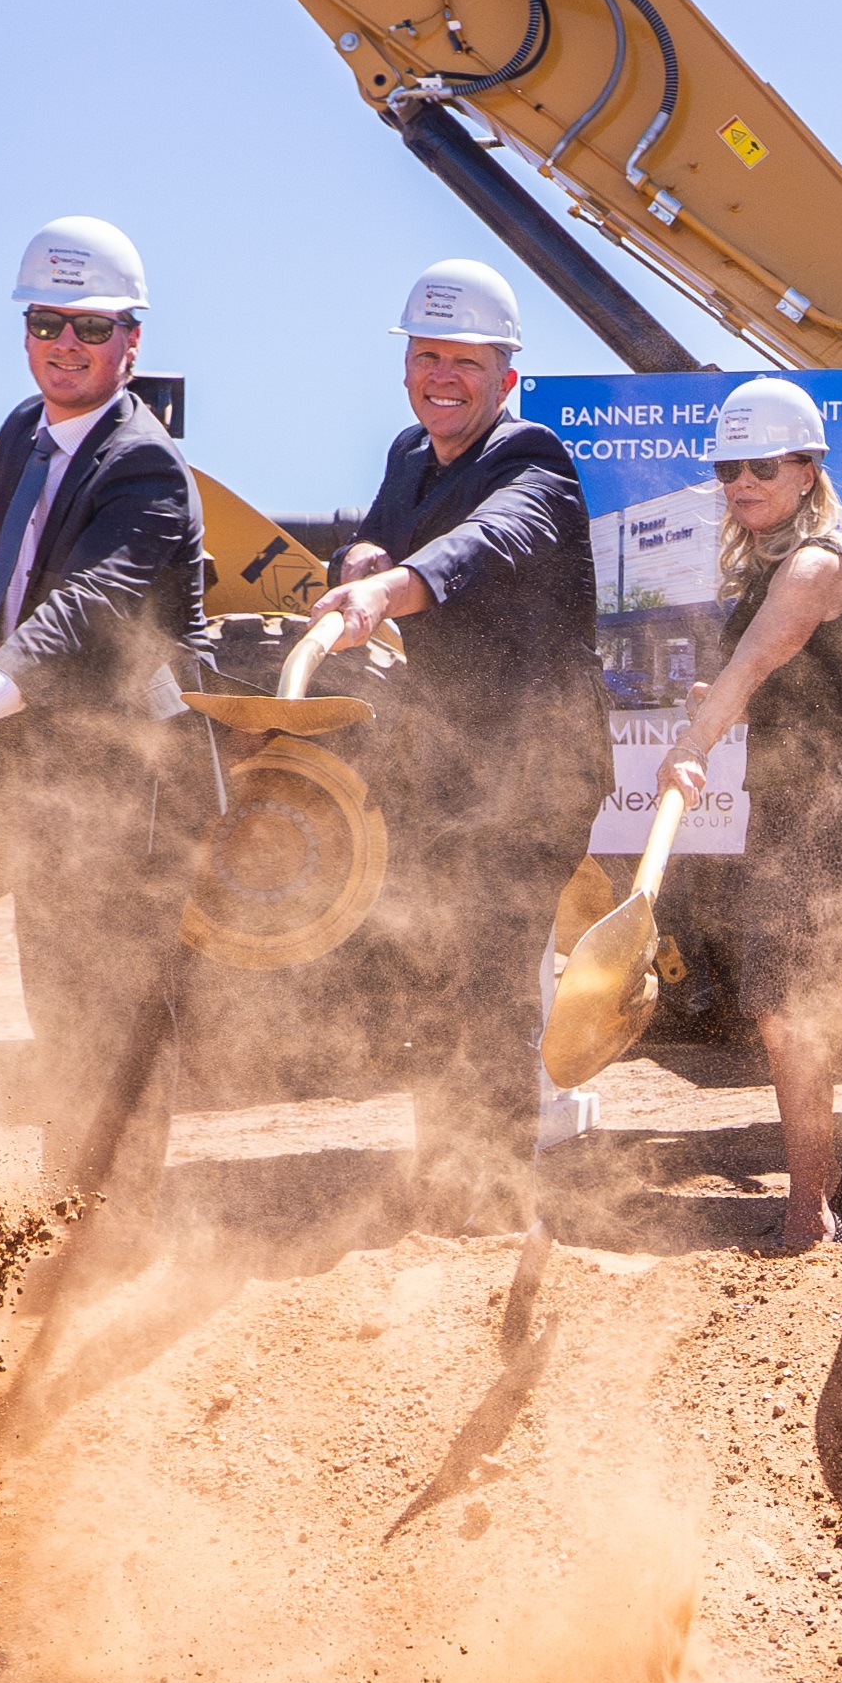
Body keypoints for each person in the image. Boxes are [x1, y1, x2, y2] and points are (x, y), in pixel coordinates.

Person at [0, 218, 216, 1180]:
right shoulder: (27, 429)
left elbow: (79, 613)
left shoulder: (146, 466)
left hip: (131, 783)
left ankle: (114, 1225)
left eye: (89, 328)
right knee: (59, 998)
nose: (64, 346)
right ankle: (67, 1196)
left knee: (118, 1009)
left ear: (131, 341)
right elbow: (11, 546)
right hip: (49, 770)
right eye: (47, 323)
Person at [319, 259, 600, 1231]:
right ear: (406, 365)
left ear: (505, 375)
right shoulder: (410, 453)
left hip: (532, 770)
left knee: (483, 967)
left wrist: (384, 588)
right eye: (426, 354)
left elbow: (471, 547)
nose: (442, 374)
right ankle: (454, 1172)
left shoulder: (535, 464)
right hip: (444, 763)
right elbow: (382, 538)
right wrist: (357, 557)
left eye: (464, 361)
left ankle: (484, 1201)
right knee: (436, 964)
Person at [650, 376, 842, 1256]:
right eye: (727, 468)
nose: (741, 481)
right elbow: (762, 682)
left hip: (826, 803)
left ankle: (811, 1208)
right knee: (785, 1003)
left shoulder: (819, 563)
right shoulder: (772, 564)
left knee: (791, 1007)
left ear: (807, 467)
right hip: (786, 801)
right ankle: (824, 1183)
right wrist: (719, 710)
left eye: (761, 466)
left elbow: (751, 669)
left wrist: (693, 744)